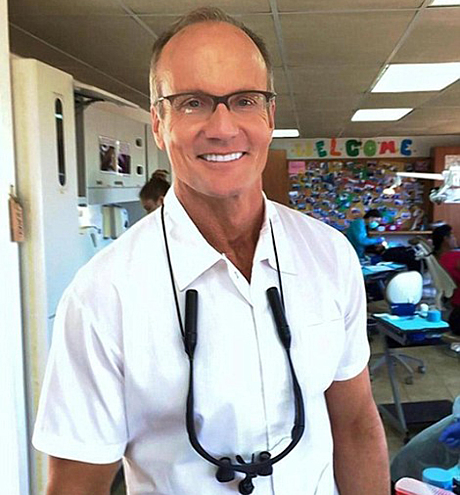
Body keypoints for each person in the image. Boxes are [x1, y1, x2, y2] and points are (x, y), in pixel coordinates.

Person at [32, 7, 390, 495]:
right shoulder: (102, 294)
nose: (222, 127)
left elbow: (355, 424)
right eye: (192, 103)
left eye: (244, 100)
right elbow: (77, 484)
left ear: (269, 117)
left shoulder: (329, 255)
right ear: (158, 123)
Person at [433, 224, 460, 308]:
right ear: (446, 239)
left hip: (452, 300)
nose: (455, 239)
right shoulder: (454, 257)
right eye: (453, 236)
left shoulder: (437, 258)